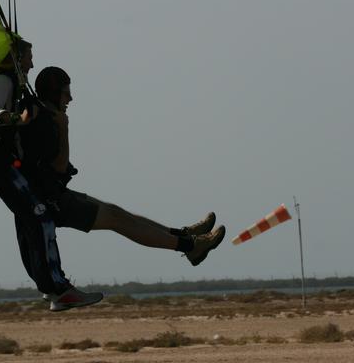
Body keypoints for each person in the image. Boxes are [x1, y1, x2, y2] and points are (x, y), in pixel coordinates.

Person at [19, 66, 226, 283]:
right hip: (50, 201)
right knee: (118, 220)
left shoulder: (44, 113)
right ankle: (191, 246)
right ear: (54, 93)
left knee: (118, 213)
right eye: (66, 92)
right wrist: (64, 130)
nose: (71, 98)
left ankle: (183, 234)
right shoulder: (50, 121)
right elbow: (60, 168)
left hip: (53, 193)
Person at [0, 41, 103, 311]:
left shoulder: (14, 84)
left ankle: (49, 287)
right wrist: (15, 119)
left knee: (30, 218)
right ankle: (58, 290)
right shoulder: (1, 81)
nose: (31, 63)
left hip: (1, 164)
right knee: (40, 216)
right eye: (28, 58)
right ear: (16, 59)